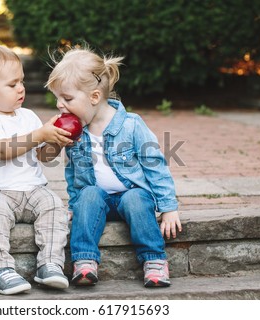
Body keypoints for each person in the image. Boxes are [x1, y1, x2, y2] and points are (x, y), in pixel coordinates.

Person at [45, 46, 182, 288]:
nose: (59, 105)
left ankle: (154, 260)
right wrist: (75, 205)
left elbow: (155, 166)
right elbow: (74, 173)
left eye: (67, 99)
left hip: (132, 195)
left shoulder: (131, 125)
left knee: (137, 199)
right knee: (88, 195)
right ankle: (85, 261)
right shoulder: (76, 132)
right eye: (58, 98)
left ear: (94, 97)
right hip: (98, 200)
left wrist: (169, 207)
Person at [0, 40, 74, 295]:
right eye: (12, 84)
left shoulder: (27, 115)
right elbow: (2, 149)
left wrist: (57, 140)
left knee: (54, 206)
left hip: (32, 189)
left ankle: (50, 264)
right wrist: (40, 134)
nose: (21, 88)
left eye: (21, 81)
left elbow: (43, 155)